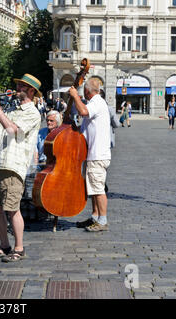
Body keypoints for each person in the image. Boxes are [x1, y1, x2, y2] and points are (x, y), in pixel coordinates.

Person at [0, 73, 42, 262]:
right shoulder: (13, 110)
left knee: (12, 208)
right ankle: (4, 245)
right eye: (18, 85)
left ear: (31, 91)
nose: (17, 89)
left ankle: (19, 248)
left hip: (14, 165)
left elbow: (13, 130)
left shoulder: (33, 113)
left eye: (22, 86)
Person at [69, 78, 111, 232]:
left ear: (87, 91)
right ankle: (95, 216)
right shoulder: (96, 102)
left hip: (97, 155)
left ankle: (103, 220)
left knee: (98, 189)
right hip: (93, 154)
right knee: (93, 188)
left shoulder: (96, 103)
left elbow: (84, 112)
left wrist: (74, 96)